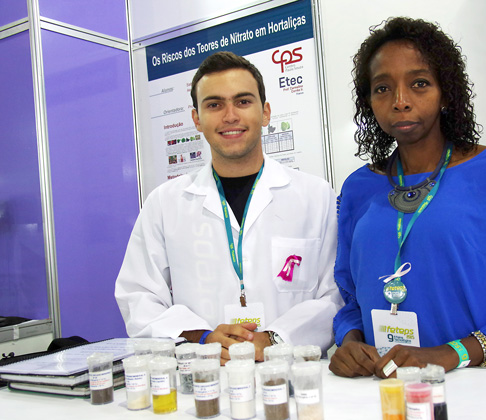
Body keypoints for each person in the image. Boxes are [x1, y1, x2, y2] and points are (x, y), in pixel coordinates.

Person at [329, 17, 486, 378]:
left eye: (419, 83)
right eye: (382, 88)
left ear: (445, 92)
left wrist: (448, 354)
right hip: (380, 390)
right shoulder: (358, 187)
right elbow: (350, 302)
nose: (400, 101)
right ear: (369, 102)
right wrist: (350, 341)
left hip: (472, 392)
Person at [115, 52, 342, 363]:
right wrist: (202, 338)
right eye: (214, 104)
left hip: (292, 372)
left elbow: (335, 294)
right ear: (197, 119)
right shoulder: (164, 204)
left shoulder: (316, 196)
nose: (230, 115)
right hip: (203, 372)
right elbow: (138, 296)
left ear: (265, 112)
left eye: (243, 101)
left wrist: (275, 339)